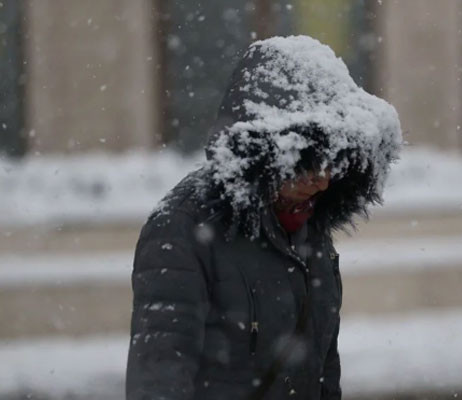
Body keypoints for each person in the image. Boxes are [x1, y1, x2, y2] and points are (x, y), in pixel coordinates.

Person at [125, 35, 402, 400]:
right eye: (306, 164)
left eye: (332, 163)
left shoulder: (309, 226)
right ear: (265, 156)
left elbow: (323, 370)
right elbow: (159, 376)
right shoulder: (180, 229)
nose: (322, 180)